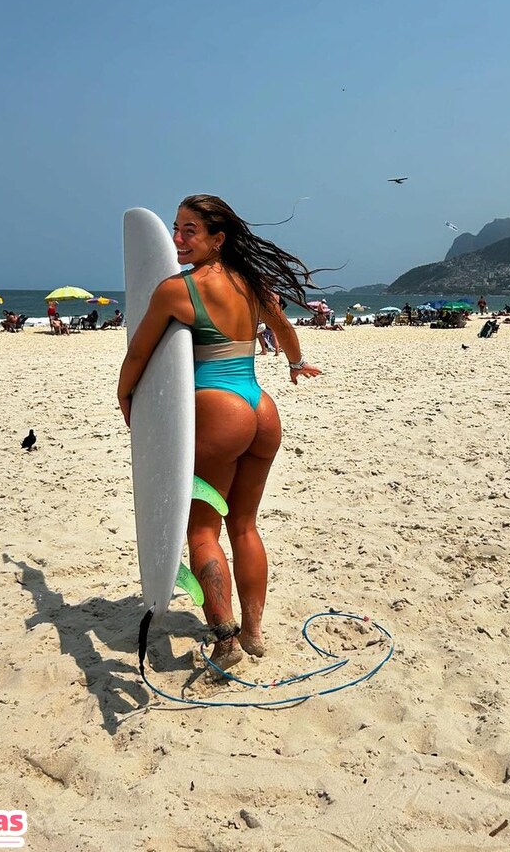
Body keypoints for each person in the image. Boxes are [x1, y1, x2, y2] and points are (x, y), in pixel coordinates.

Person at [117, 194, 321, 671]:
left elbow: (138, 354)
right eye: (175, 228)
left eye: (190, 230)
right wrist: (296, 364)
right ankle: (254, 632)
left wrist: (127, 399)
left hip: (219, 410)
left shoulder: (177, 290)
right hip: (261, 409)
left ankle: (226, 639)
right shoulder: (252, 283)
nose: (177, 239)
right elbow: (284, 330)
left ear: (218, 238)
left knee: (201, 528)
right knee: (245, 525)